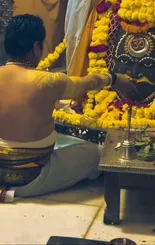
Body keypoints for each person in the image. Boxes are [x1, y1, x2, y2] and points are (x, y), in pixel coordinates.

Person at [0, 14, 138, 202]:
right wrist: (114, 78)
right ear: (36, 47)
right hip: (32, 179)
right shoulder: (47, 81)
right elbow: (87, 83)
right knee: (97, 152)